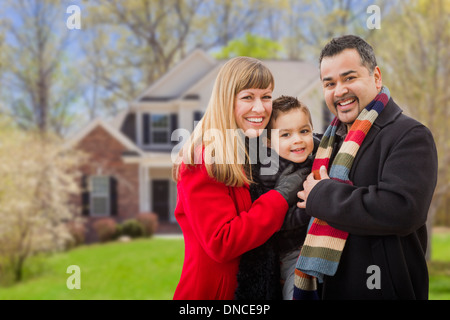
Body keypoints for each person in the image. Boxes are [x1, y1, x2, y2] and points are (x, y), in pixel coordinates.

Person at [295, 35, 438, 300]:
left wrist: (322, 195)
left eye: (349, 78)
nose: (339, 91)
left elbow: (403, 209)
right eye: (330, 83)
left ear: (376, 77)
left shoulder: (410, 135)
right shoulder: (326, 144)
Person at [172, 56, 305, 300]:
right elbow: (222, 242)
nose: (260, 107)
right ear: (226, 100)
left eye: (266, 96)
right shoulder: (203, 160)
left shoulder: (250, 149)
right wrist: (281, 195)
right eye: (248, 97)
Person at [235, 96, 319, 300]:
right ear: (270, 143)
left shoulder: (317, 153)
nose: (297, 139)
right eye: (286, 135)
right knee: (298, 292)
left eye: (304, 131)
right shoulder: (269, 172)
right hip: (291, 251)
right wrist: (312, 210)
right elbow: (277, 221)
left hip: (316, 243)